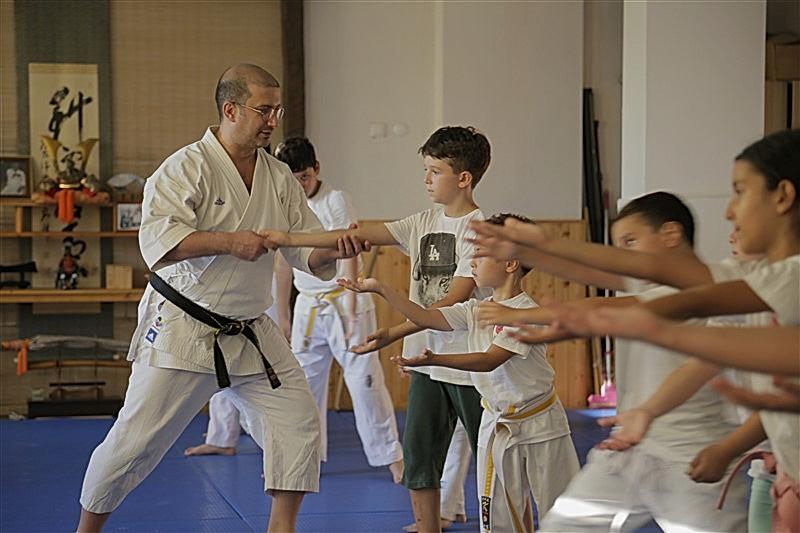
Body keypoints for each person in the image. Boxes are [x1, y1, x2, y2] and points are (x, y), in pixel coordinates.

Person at [76, 64, 365, 533]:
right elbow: (159, 245)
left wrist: (335, 249)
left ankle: (282, 528)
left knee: (297, 422)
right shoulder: (185, 168)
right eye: (263, 110)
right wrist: (231, 242)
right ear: (230, 110)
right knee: (135, 443)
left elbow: (303, 249)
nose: (273, 120)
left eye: (277, 110)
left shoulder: (278, 176)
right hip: (184, 328)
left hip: (249, 328)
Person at [261, 126, 491, 532]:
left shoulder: (479, 230)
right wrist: (289, 239)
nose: (425, 179)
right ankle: (426, 525)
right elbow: (357, 234)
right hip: (426, 362)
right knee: (419, 452)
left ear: (464, 178)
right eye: (425, 169)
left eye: (435, 171)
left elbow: (451, 302)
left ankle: (503, 521)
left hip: (468, 363)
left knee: (487, 452)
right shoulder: (422, 221)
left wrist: (394, 331)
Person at [340, 212, 580, 533]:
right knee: (497, 520)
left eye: (481, 254)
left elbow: (489, 360)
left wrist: (436, 359)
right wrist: (381, 288)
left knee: (563, 516)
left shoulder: (526, 313)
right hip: (496, 424)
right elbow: (426, 317)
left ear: (511, 263)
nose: (472, 262)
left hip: (541, 426)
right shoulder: (476, 309)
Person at [273, 136, 404, 479]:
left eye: (304, 177)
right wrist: (283, 315)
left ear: (316, 169)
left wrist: (351, 304)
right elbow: (283, 262)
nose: (300, 185)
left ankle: (392, 458)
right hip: (308, 304)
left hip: (344, 300)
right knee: (303, 385)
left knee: (364, 380)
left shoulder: (335, 199)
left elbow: (349, 249)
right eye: (293, 179)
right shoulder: (284, 203)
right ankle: (305, 458)